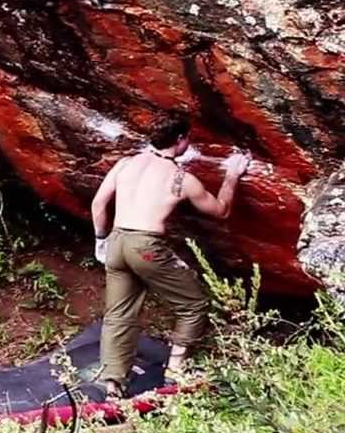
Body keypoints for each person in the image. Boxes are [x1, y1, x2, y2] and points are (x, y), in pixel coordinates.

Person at [89, 113, 250, 397]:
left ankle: (113, 383)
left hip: (116, 241)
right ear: (179, 140)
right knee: (194, 304)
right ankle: (176, 369)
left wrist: (101, 239)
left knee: (118, 314)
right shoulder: (181, 178)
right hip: (146, 247)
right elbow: (221, 210)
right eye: (188, 137)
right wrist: (232, 176)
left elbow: (99, 203)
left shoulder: (126, 164)